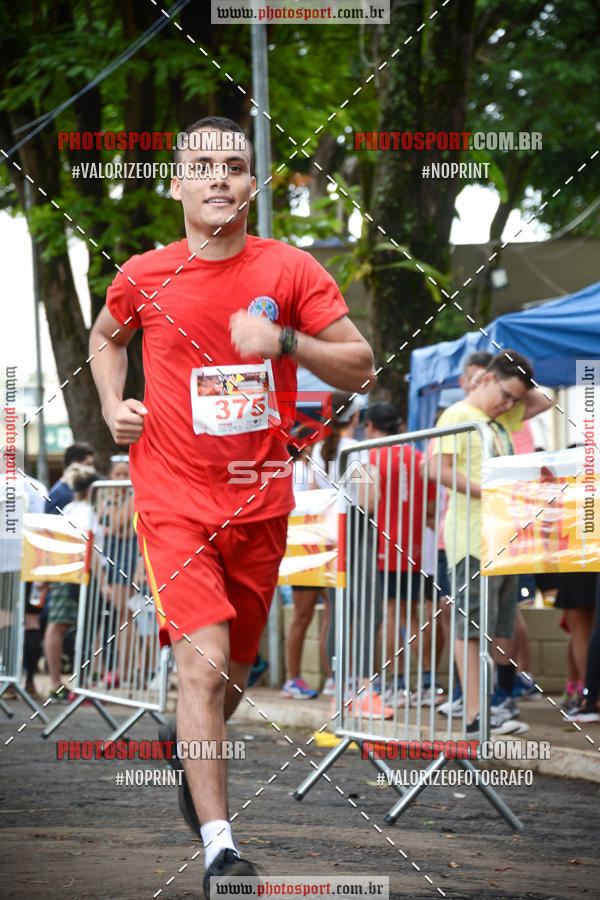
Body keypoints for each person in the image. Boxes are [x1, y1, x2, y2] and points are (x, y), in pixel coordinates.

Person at [88, 116, 375, 892]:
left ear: (253, 185)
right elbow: (106, 337)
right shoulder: (144, 273)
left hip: (259, 498)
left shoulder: (289, 268)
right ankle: (220, 848)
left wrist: (285, 344)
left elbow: (360, 365)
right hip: (172, 496)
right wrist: (114, 404)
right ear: (176, 184)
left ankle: (188, 740)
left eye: (234, 165)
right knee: (204, 663)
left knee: (233, 679)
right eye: (203, 165)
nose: (219, 176)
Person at [430, 350, 553, 736]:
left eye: (515, 399)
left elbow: (545, 399)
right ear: (485, 379)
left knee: (501, 628)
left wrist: (513, 381)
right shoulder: (458, 415)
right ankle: (474, 714)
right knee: (469, 630)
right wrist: (489, 492)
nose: (510, 404)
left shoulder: (500, 416)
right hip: (471, 541)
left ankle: (494, 704)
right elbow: (436, 468)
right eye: (505, 395)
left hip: (502, 540)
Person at [364, 402, 437, 707]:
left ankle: (398, 684)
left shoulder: (370, 456)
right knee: (412, 615)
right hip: (419, 546)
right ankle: (428, 682)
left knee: (394, 614)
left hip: (387, 546)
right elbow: (431, 507)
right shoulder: (419, 458)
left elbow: (367, 502)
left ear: (370, 427)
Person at [43, 465, 101, 700]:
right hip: (78, 575)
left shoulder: (69, 509)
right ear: (91, 489)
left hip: (65, 574)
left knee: (59, 627)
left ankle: (59, 682)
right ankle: (77, 684)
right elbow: (90, 548)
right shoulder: (87, 513)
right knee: (74, 627)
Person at [281, 428, 330, 700]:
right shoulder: (301, 470)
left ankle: (303, 678)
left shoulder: (295, 469)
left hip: (310, 548)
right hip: (308, 548)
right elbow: (310, 503)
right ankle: (296, 679)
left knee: (311, 615)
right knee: (305, 615)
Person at [45, 443, 95, 515]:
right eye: (88, 464)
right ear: (75, 465)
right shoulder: (60, 494)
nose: (92, 469)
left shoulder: (71, 490)